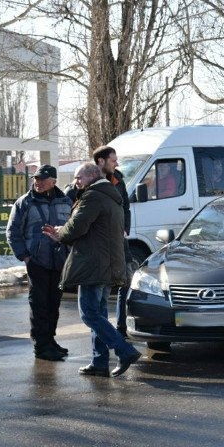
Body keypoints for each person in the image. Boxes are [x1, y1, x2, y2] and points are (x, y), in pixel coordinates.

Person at [43, 163, 142, 377]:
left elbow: (78, 226)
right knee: (100, 314)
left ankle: (125, 351)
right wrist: (64, 231)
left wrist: (61, 234)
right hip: (107, 264)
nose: (76, 182)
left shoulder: (93, 196)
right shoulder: (110, 195)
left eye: (79, 178)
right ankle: (99, 361)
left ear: (91, 176)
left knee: (88, 314)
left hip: (94, 265)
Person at [6, 164, 73, 361]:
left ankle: (50, 340)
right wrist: (25, 256)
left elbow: (71, 228)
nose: (38, 183)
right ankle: (41, 346)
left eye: (43, 179)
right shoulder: (24, 202)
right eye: (36, 179)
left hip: (60, 261)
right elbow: (12, 232)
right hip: (37, 261)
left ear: (53, 182)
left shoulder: (65, 201)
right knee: (39, 304)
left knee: (54, 303)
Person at [92, 145, 133, 338]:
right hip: (100, 246)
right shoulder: (89, 179)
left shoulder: (118, 180)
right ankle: (104, 334)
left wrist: (125, 228)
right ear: (101, 161)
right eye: (113, 160)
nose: (116, 163)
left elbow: (126, 206)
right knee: (101, 292)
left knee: (124, 282)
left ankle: (121, 328)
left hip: (119, 241)